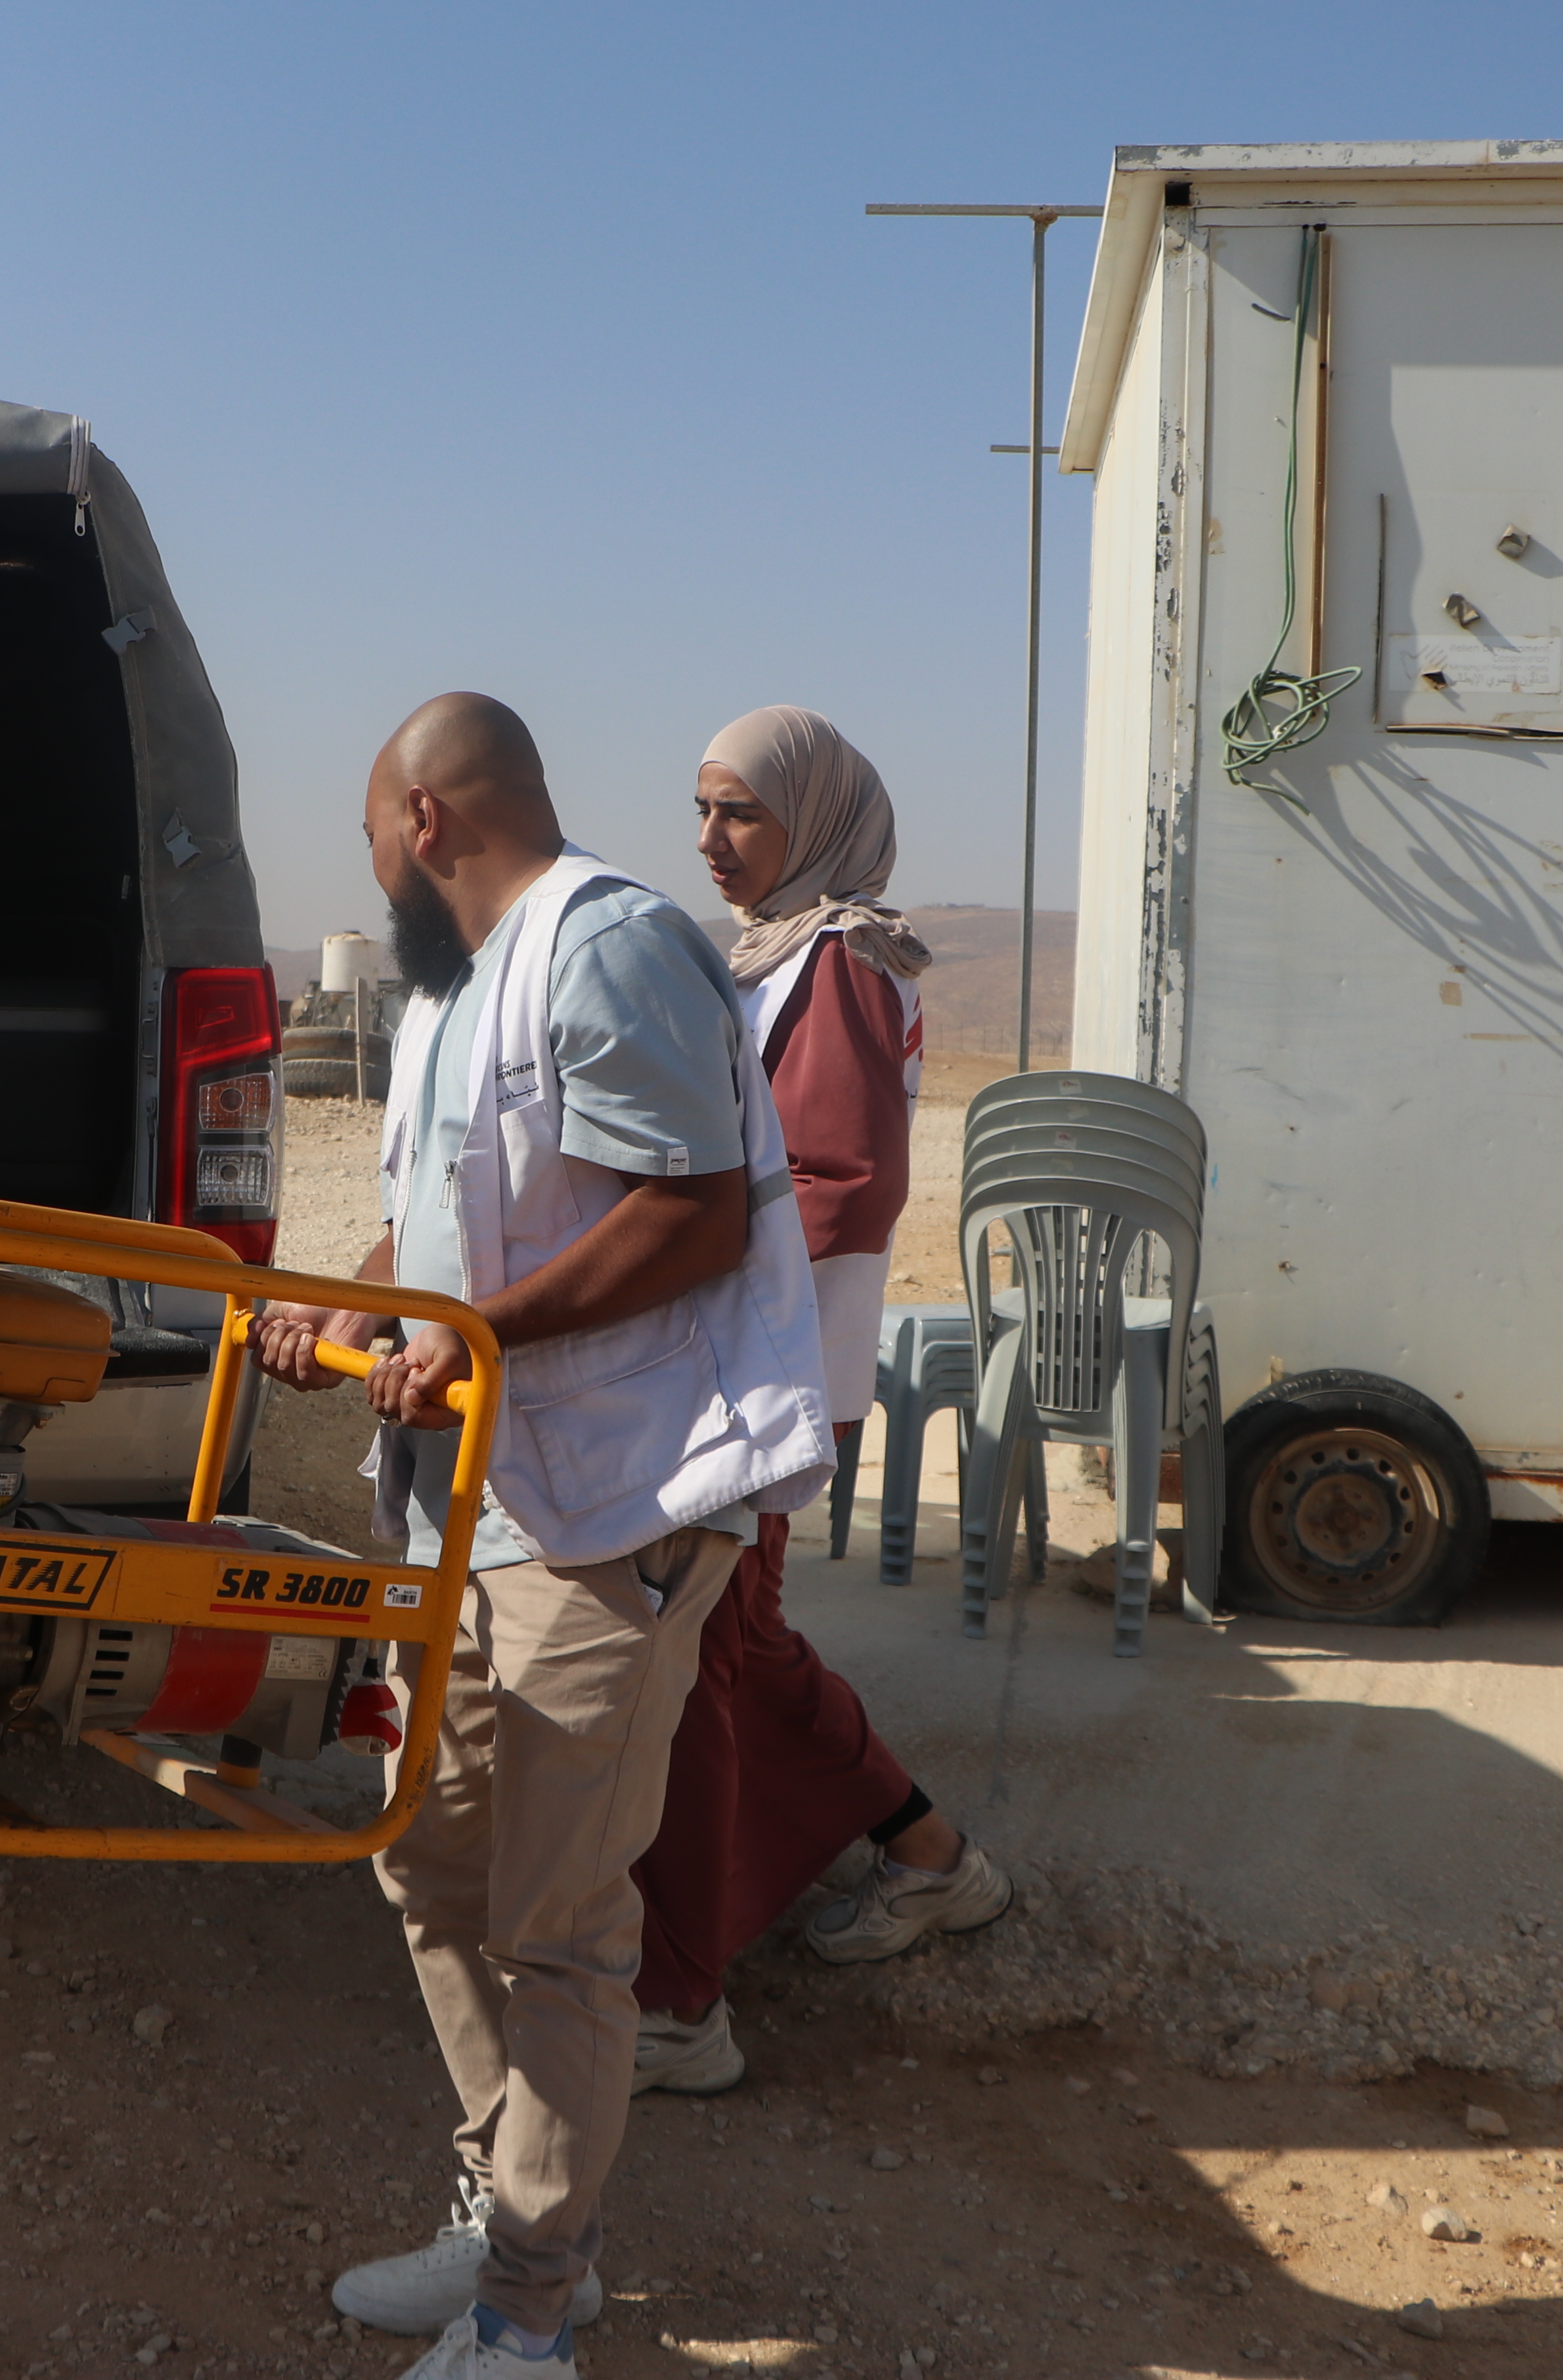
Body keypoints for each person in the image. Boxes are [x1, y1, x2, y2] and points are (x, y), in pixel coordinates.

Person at [252, 694, 830, 2380]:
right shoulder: (451, 996)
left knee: (565, 1924)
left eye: (370, 845)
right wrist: (342, 1304)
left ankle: (527, 2311)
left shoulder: (610, 942)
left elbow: (692, 1211)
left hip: (610, 1506)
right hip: (473, 1518)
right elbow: (436, 1236)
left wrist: (473, 1333)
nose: (374, 873)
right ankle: (525, 2219)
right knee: (425, 1853)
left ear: (425, 820)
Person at [625, 709, 1012, 2100]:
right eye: (702, 810)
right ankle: (929, 1857)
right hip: (747, 1354)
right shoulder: (779, 950)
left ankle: (677, 1996)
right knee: (737, 1634)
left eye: (738, 813)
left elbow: (846, 1177)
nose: (710, 841)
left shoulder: (839, 957)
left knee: (706, 1656)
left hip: (770, 1364)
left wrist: (656, 1263)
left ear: (814, 819)